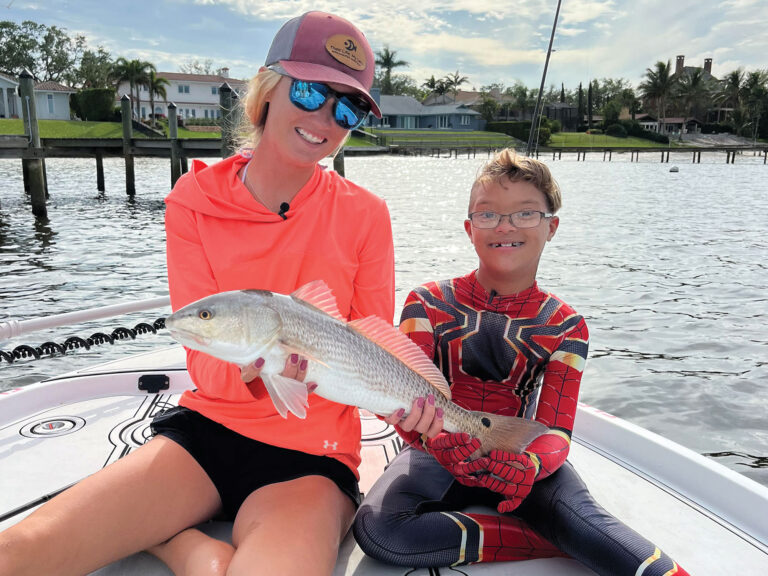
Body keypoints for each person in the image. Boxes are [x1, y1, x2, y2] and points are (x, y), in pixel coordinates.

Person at [0, 11, 393, 576]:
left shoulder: (367, 214)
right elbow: (204, 361)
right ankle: (181, 540)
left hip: (312, 456)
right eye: (309, 92)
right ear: (267, 89)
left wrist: (415, 409)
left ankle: (182, 547)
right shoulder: (193, 199)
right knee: (19, 555)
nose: (325, 119)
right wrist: (268, 366)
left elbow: (372, 346)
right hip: (205, 434)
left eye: (348, 107)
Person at [353, 149, 691, 576]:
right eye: (488, 214)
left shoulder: (567, 326)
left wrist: (530, 464)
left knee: (635, 557)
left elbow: (558, 429)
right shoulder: (425, 303)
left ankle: (571, 534)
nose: (505, 226)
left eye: (525, 213)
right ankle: (555, 540)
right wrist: (432, 440)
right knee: (377, 531)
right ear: (468, 228)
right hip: (434, 453)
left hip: (524, 462)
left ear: (552, 227)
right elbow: (404, 401)